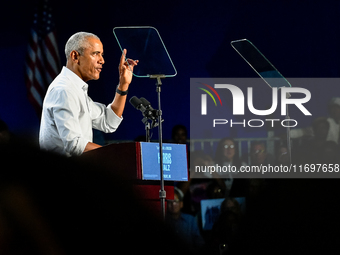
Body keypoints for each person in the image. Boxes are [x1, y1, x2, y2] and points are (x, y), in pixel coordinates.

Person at [39, 32, 138, 156]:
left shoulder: (76, 89)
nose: (102, 60)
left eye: (101, 55)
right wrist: (114, 155)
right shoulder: (64, 90)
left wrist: (123, 84)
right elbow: (74, 144)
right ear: (75, 56)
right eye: (95, 54)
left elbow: (108, 121)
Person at [165, 187, 205, 253]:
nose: (173, 204)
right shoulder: (164, 220)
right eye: (170, 202)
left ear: (181, 204)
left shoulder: (190, 220)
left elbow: (199, 242)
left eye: (176, 201)